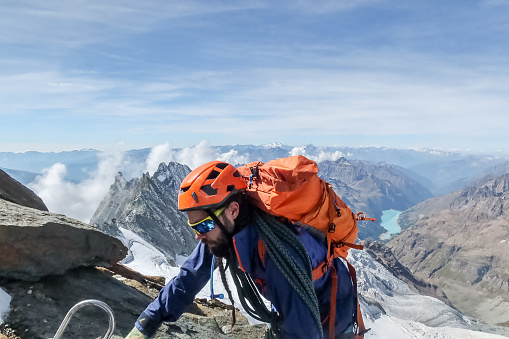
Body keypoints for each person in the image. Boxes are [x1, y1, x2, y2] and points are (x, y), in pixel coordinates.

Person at [125, 161, 358, 339]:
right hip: (294, 312)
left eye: (203, 225)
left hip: (332, 320)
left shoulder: (278, 255)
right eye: (193, 226)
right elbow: (190, 276)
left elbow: (303, 331)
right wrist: (146, 322)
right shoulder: (222, 232)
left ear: (233, 210)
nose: (198, 235)